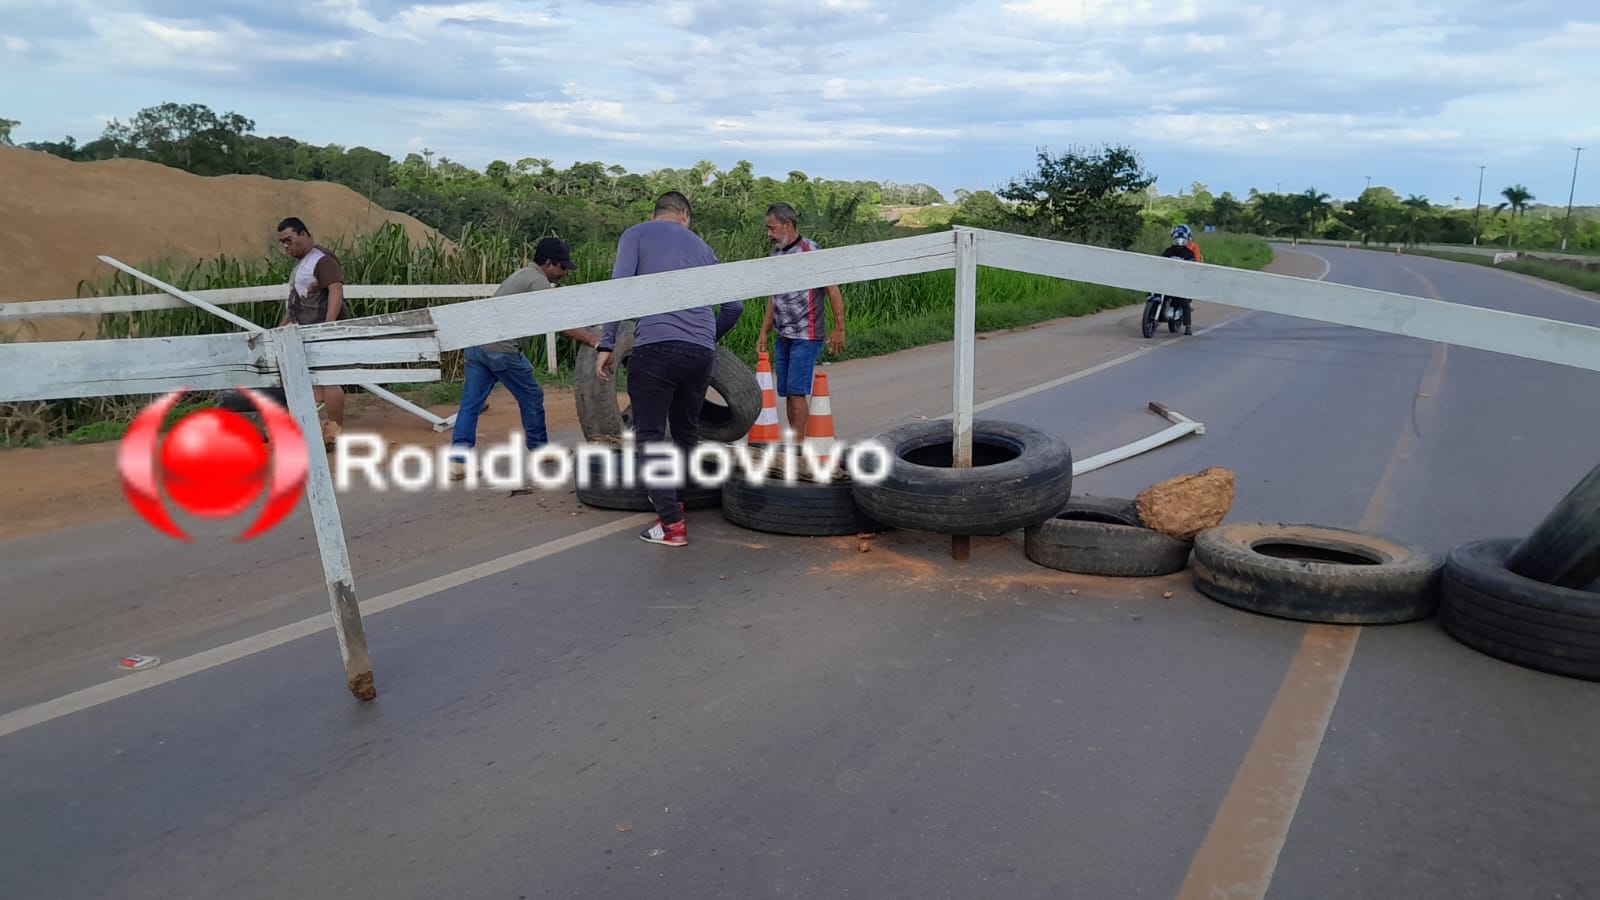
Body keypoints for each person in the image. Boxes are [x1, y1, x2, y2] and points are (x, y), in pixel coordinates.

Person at [596, 192, 743, 547]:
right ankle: (671, 498)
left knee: (649, 437)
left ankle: (672, 523)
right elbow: (733, 307)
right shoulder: (703, 247)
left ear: (655, 214)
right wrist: (706, 338)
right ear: (685, 216)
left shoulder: (637, 234)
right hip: (698, 355)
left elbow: (619, 289)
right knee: (685, 433)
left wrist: (607, 343)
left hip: (655, 349)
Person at [448, 238, 600, 480]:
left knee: (471, 404)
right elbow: (556, 320)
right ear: (549, 263)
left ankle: (458, 461)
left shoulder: (522, 275)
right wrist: (592, 338)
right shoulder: (536, 280)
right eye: (562, 268)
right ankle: (539, 450)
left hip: (476, 346)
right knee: (532, 395)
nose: (564, 274)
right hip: (501, 349)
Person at [756, 202, 846, 442]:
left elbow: (832, 290)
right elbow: (773, 297)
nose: (769, 234)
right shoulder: (776, 253)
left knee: (797, 390)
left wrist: (839, 328)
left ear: (788, 225)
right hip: (783, 333)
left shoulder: (810, 251)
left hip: (806, 334)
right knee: (787, 391)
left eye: (772, 228)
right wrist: (764, 332)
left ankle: (799, 444)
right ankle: (796, 440)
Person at [276, 217, 350, 431]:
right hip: (304, 331)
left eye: (289, 240)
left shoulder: (322, 260)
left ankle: (337, 428)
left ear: (304, 234)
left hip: (320, 330)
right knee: (313, 381)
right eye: (283, 243)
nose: (287, 246)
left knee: (328, 380)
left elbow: (335, 290)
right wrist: (282, 327)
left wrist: (328, 326)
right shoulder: (304, 264)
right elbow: (296, 302)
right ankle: (316, 426)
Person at [1160, 224, 1198, 335]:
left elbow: (1194, 264)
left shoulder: (1189, 252)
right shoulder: (1168, 251)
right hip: (1168, 278)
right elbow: (1160, 261)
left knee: (1184, 301)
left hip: (1182, 280)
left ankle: (1188, 326)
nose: (1179, 241)